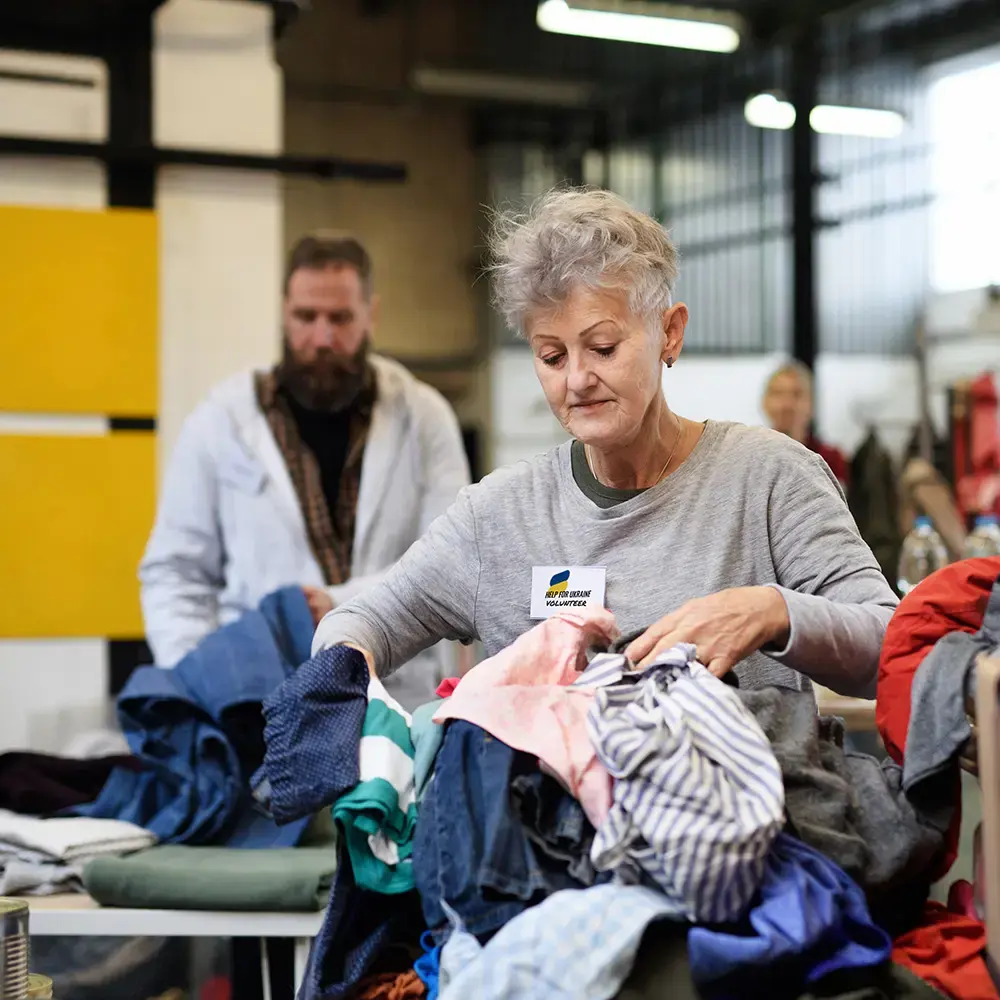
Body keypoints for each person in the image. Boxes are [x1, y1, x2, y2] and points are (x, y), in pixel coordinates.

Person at [313, 188, 897, 698]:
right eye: (551, 356)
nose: (576, 379)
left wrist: (771, 611)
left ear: (670, 333)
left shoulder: (769, 481)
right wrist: (339, 684)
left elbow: (889, 644)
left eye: (603, 347)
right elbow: (363, 622)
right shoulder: (498, 517)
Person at [140, 232, 470, 706]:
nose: (322, 338)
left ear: (370, 315)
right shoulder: (221, 421)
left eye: (340, 318)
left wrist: (337, 604)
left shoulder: (423, 416)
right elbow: (174, 573)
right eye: (305, 317)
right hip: (258, 702)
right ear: (282, 313)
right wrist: (198, 680)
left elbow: (450, 561)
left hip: (396, 693)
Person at [762, 361, 850, 488]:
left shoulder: (831, 460)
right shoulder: (753, 459)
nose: (787, 404)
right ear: (764, 403)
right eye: (778, 393)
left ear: (811, 403)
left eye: (796, 394)